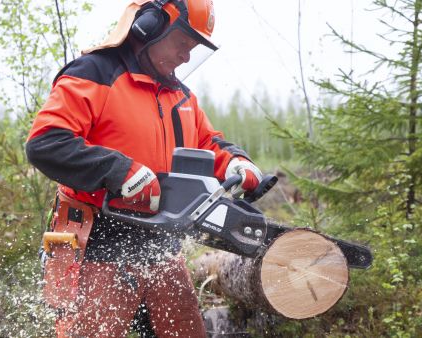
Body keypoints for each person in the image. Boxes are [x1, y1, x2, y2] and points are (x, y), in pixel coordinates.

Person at [25, 0, 263, 336]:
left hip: (161, 243)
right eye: (183, 43)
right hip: (99, 239)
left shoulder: (179, 95)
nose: (186, 56)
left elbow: (209, 143)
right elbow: (46, 141)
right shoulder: (95, 73)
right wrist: (119, 171)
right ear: (151, 25)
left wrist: (237, 161)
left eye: (194, 48)